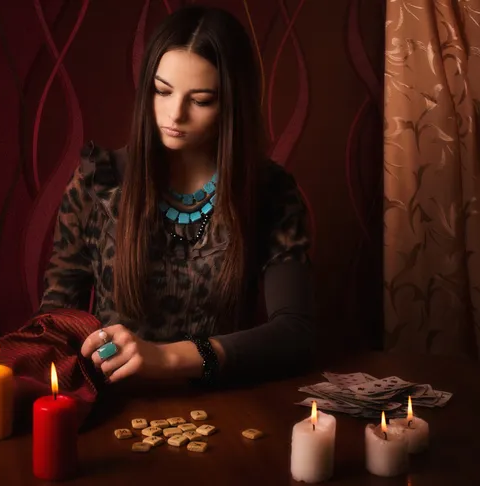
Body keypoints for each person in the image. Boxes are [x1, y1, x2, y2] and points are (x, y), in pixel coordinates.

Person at [38, 5, 314, 388]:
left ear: (231, 104)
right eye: (162, 91)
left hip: (226, 407)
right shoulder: (97, 184)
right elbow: (55, 325)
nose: (174, 114)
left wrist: (166, 357)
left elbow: (295, 333)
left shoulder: (269, 192)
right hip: (117, 404)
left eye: (200, 100)